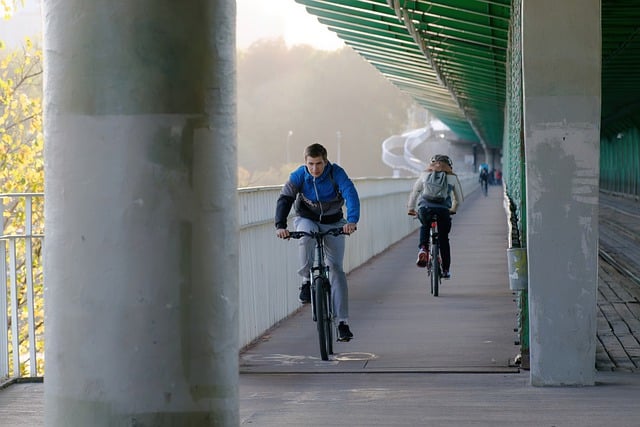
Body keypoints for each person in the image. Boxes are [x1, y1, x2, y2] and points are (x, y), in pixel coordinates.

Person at [275, 143, 360, 342]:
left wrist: (352, 221)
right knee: (305, 235)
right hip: (308, 218)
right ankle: (306, 281)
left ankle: (342, 323)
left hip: (334, 222)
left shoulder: (336, 173)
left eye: (319, 164)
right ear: (305, 162)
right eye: (311, 164)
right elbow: (285, 198)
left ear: (326, 161)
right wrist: (280, 225)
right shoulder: (298, 175)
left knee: (337, 269)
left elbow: (351, 195)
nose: (315, 169)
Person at [407, 154, 463, 279]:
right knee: (444, 239)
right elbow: (458, 199)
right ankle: (446, 270)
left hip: (425, 208)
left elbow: (415, 192)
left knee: (425, 225)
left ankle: (423, 248)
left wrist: (411, 208)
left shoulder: (425, 174)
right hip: (443, 211)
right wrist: (452, 210)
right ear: (449, 165)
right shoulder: (452, 178)